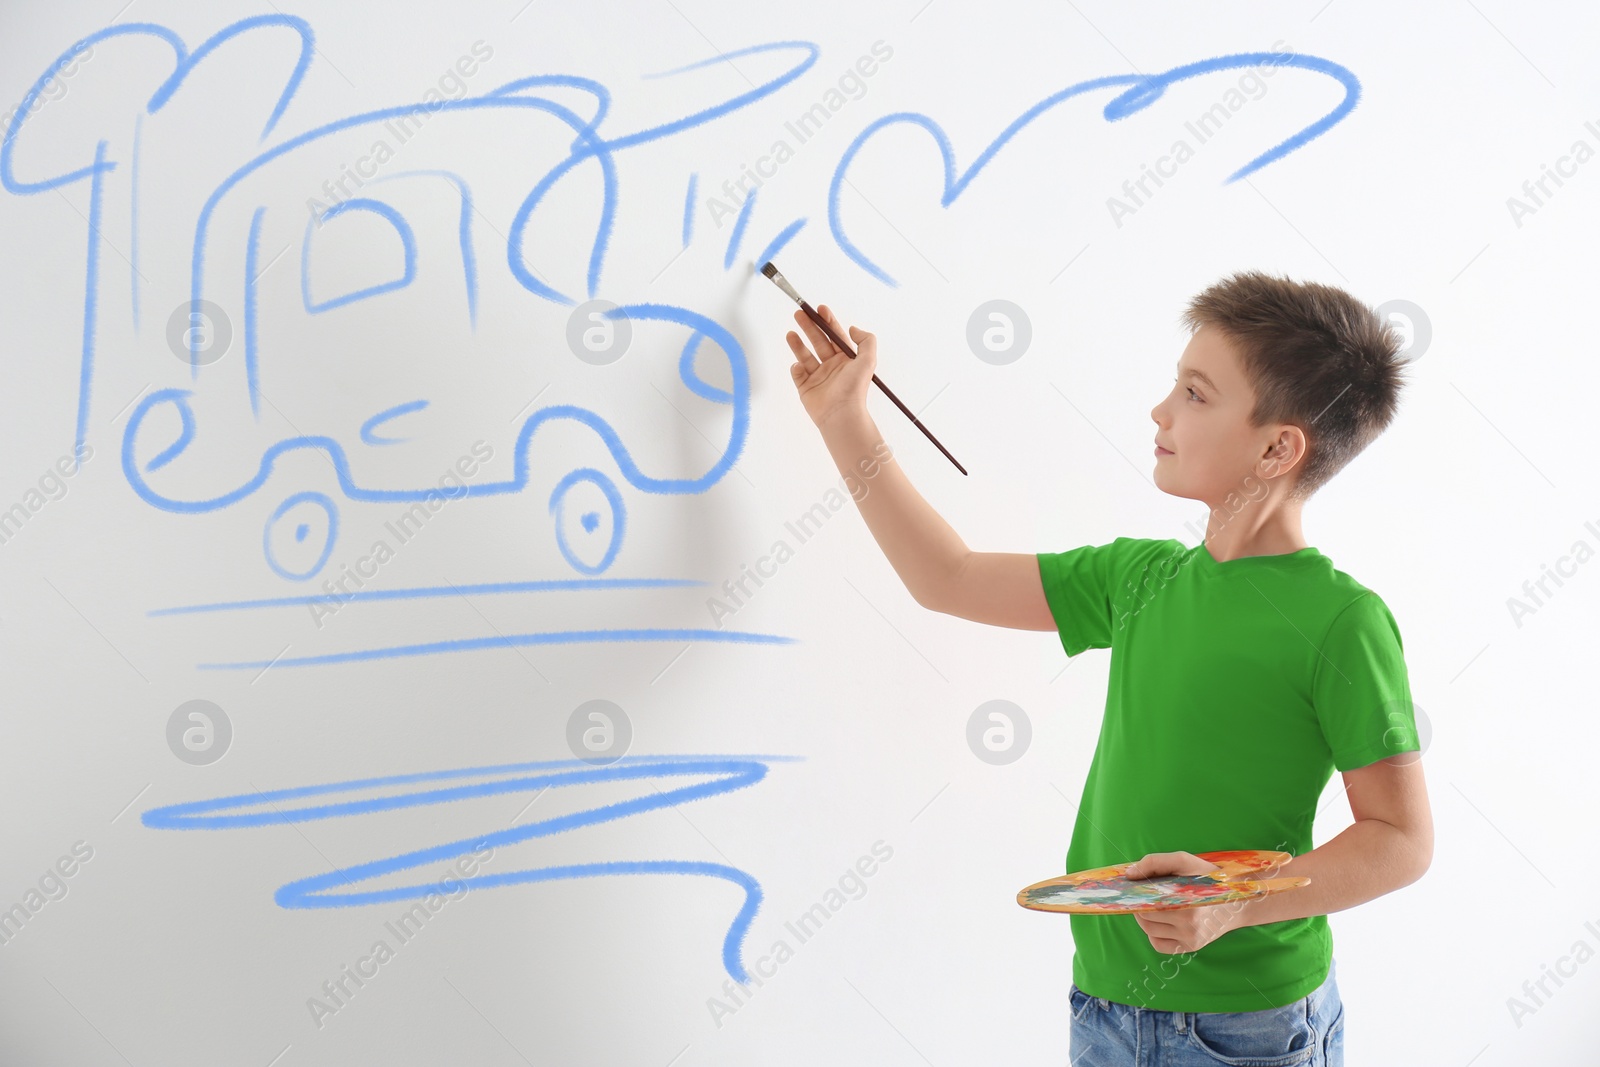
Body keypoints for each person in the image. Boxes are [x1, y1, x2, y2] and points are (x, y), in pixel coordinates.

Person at [782, 270, 1433, 1066]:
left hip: (1246, 1025)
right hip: (1105, 1004)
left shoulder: (1343, 621)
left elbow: (1401, 838)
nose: (1160, 411)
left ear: (1277, 446)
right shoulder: (1141, 578)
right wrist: (844, 420)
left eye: (1195, 393)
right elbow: (944, 576)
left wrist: (1232, 906)